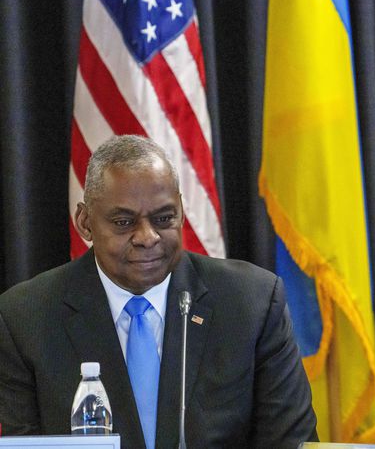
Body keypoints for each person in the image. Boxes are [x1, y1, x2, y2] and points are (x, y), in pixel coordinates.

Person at [0, 135, 317, 448]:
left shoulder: (252, 302)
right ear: (85, 223)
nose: (148, 237)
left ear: (180, 210)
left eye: (164, 218)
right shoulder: (26, 317)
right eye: (124, 222)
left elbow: (291, 441)